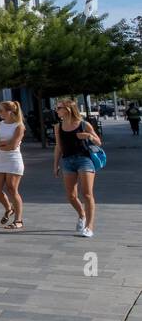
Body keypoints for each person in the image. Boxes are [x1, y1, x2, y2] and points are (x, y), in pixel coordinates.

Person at [52, 98, 103, 237]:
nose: (56, 111)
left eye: (59, 108)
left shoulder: (84, 124)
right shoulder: (58, 127)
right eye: (57, 108)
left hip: (84, 160)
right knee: (71, 196)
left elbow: (98, 142)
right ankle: (82, 214)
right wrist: (55, 164)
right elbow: (58, 146)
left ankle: (89, 227)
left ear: (68, 109)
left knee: (87, 194)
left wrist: (88, 136)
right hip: (68, 161)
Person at [0, 100, 26, 229]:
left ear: (11, 111)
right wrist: (3, 144)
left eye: (2, 110)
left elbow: (13, 146)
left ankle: (18, 220)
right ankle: (9, 208)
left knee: (12, 189)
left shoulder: (19, 126)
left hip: (13, 160)